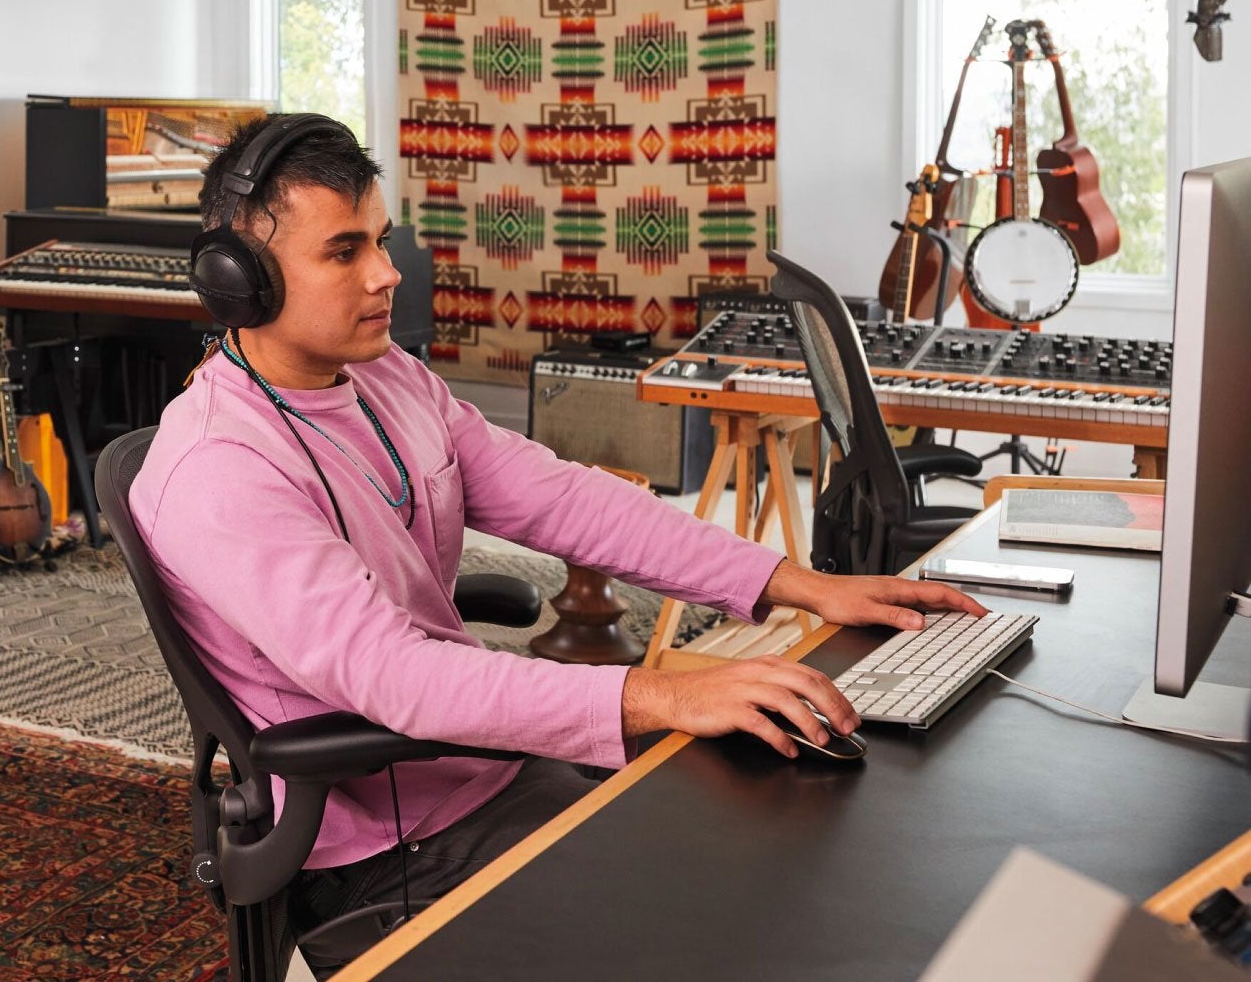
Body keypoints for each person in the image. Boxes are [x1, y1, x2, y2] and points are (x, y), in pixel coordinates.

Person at [129, 114, 985, 977]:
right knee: (722, 920)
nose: (387, 273)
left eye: (381, 241)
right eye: (344, 251)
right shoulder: (220, 470)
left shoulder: (383, 374)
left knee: (776, 837)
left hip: (482, 768)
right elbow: (397, 678)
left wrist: (793, 583)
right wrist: (661, 695)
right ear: (241, 281)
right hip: (379, 849)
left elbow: (564, 500)